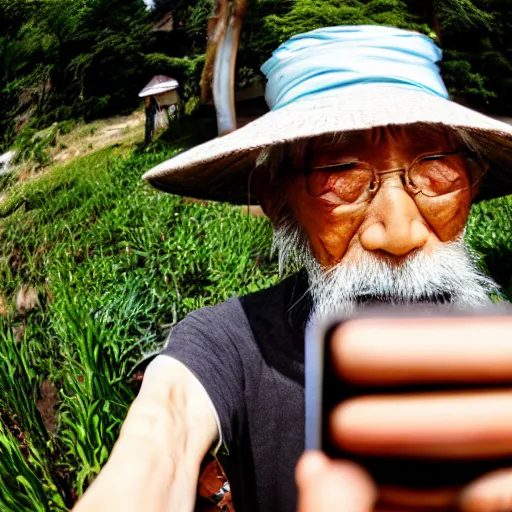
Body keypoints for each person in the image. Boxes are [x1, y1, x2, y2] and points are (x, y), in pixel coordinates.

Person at [73, 25, 512, 512]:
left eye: (436, 169)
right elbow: (165, 426)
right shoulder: (233, 343)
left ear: (472, 181)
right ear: (276, 201)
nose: (400, 233)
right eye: (341, 175)